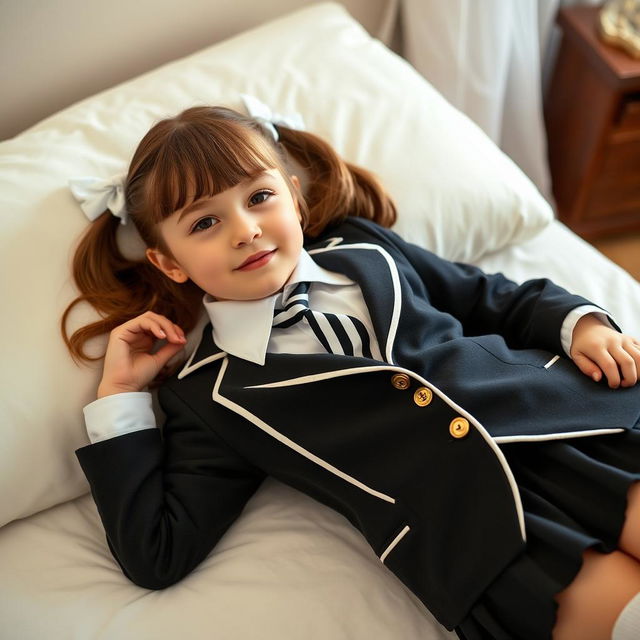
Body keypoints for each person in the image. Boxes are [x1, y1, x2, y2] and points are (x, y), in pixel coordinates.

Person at [63, 102, 640, 640]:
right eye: (204, 224)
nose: (245, 230)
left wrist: (581, 325)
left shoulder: (365, 246)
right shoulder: (208, 397)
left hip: (571, 429)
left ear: (295, 197)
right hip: (479, 537)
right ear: (169, 263)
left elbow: (492, 298)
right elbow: (156, 552)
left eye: (258, 197)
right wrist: (119, 397)